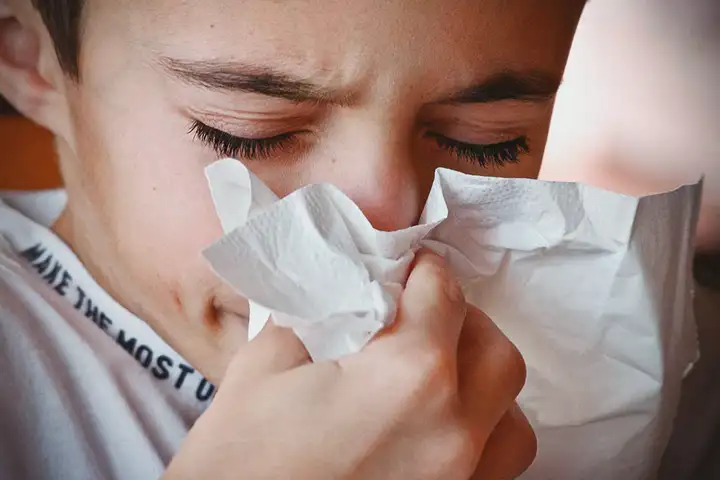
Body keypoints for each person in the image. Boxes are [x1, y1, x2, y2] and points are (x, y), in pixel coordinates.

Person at [0, 0, 587, 478]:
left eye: (484, 142)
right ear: (33, 61)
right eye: (251, 137)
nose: (388, 229)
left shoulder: (594, 352)